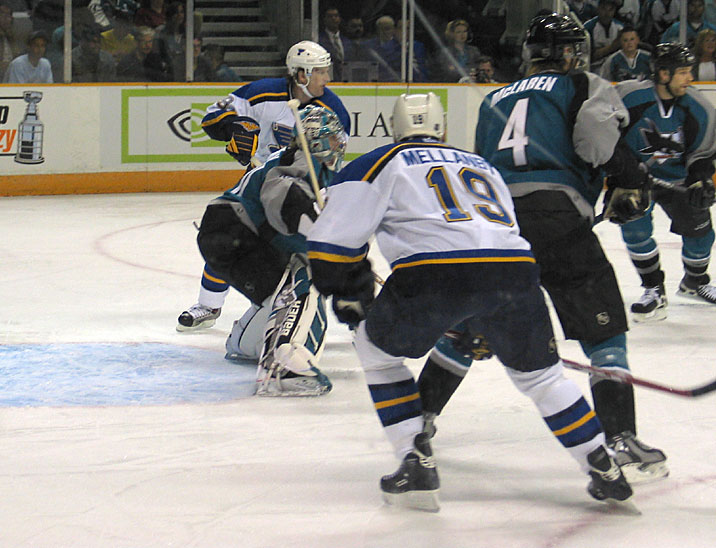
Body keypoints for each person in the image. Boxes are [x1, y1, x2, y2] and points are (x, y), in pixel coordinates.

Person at [305, 92, 635, 511]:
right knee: (543, 378)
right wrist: (481, 318)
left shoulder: (377, 162)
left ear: (394, 129)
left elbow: (333, 244)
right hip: (515, 272)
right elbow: (493, 238)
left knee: (377, 352)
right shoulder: (483, 165)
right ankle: (602, 466)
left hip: (434, 274)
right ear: (441, 129)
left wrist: (349, 290)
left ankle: (415, 458)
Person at [416, 13, 669, 485]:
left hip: (495, 229)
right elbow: (596, 139)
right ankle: (619, 437)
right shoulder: (581, 84)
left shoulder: (492, 99)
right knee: (604, 334)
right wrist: (630, 177)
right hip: (558, 222)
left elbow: (485, 170)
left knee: (468, 329)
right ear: (572, 51)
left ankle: (417, 421)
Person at [176, 40, 351, 333]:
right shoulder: (262, 93)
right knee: (234, 235)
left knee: (296, 254)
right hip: (260, 185)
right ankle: (208, 305)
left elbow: (334, 160)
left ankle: (316, 312)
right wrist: (234, 128)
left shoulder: (333, 109)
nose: (327, 78)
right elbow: (212, 117)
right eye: (320, 71)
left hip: (303, 190)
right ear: (302, 75)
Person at [196, 105, 347, 396]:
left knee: (281, 293)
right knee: (306, 277)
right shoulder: (304, 160)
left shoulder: (299, 163)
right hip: (236, 230)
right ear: (315, 141)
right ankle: (283, 366)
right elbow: (282, 200)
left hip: (225, 230)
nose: (338, 144)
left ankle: (246, 343)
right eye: (331, 139)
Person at [614, 42, 716, 320]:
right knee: (634, 228)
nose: (690, 78)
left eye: (689, 71)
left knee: (701, 234)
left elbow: (702, 152)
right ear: (662, 74)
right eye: (682, 72)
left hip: (678, 179)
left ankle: (694, 283)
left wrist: (700, 179)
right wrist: (623, 173)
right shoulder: (628, 97)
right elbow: (607, 134)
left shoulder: (699, 107)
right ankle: (653, 289)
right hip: (634, 179)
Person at [430, 18, 481, 83]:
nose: (462, 35)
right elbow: (447, 72)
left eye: (464, 31)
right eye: (458, 32)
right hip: (451, 85)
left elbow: (477, 68)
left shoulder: (474, 51)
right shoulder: (446, 52)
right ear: (452, 34)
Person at [585, 0, 625, 73]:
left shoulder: (620, 27)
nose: (607, 14)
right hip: (594, 69)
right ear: (598, 8)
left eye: (611, 10)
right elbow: (588, 57)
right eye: (603, 9)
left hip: (615, 67)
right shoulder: (588, 28)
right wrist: (612, 47)